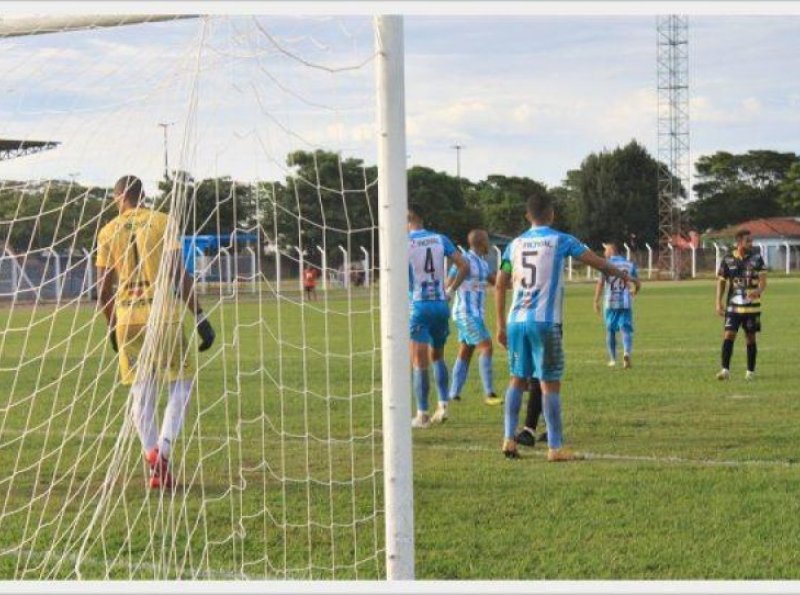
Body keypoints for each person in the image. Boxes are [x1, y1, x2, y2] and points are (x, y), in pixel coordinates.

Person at [96, 175, 215, 489]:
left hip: (126, 318)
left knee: (141, 392)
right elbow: (178, 273)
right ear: (142, 195)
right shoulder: (163, 221)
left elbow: (102, 290)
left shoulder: (108, 231)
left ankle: (153, 462)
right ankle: (161, 451)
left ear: (119, 196)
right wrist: (200, 316)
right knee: (182, 383)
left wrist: (112, 326)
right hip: (162, 316)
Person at [495, 191, 629, 461]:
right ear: (552, 213)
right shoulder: (561, 240)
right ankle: (555, 448)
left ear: (527, 216)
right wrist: (620, 273)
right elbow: (596, 261)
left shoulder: (514, 245)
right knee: (549, 383)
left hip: (515, 321)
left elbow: (499, 283)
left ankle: (509, 440)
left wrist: (499, 325)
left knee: (517, 379)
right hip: (545, 322)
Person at [408, 208, 469, 428]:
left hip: (418, 306)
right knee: (438, 357)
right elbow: (464, 265)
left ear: (407, 221)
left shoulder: (404, 242)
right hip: (441, 305)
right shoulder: (439, 239)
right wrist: (451, 290)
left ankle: (422, 414)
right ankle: (442, 405)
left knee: (419, 362)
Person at [447, 229, 501, 406]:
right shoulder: (463, 260)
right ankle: (489, 393)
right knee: (486, 346)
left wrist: (515, 275)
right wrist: (447, 293)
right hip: (465, 313)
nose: (489, 245)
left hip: (475, 315)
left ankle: (453, 393)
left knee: (466, 351)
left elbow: (499, 283)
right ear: (481, 243)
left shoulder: (483, 264)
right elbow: (449, 282)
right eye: (487, 241)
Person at [715, 228, 766, 381]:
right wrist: (718, 302)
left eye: (751, 241)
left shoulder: (757, 259)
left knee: (750, 338)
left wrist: (757, 291)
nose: (751, 243)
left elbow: (763, 283)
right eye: (748, 241)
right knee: (729, 335)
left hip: (752, 308)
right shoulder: (728, 259)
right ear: (739, 242)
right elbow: (721, 283)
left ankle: (750, 371)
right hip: (733, 307)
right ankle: (725, 370)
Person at [593, 242, 641, 369]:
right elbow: (637, 282)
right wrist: (634, 291)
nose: (604, 253)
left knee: (610, 331)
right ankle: (626, 353)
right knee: (626, 329)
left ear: (610, 250)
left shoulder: (606, 264)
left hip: (610, 302)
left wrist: (596, 300)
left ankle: (613, 359)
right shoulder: (629, 264)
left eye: (605, 250)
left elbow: (600, 283)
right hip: (625, 302)